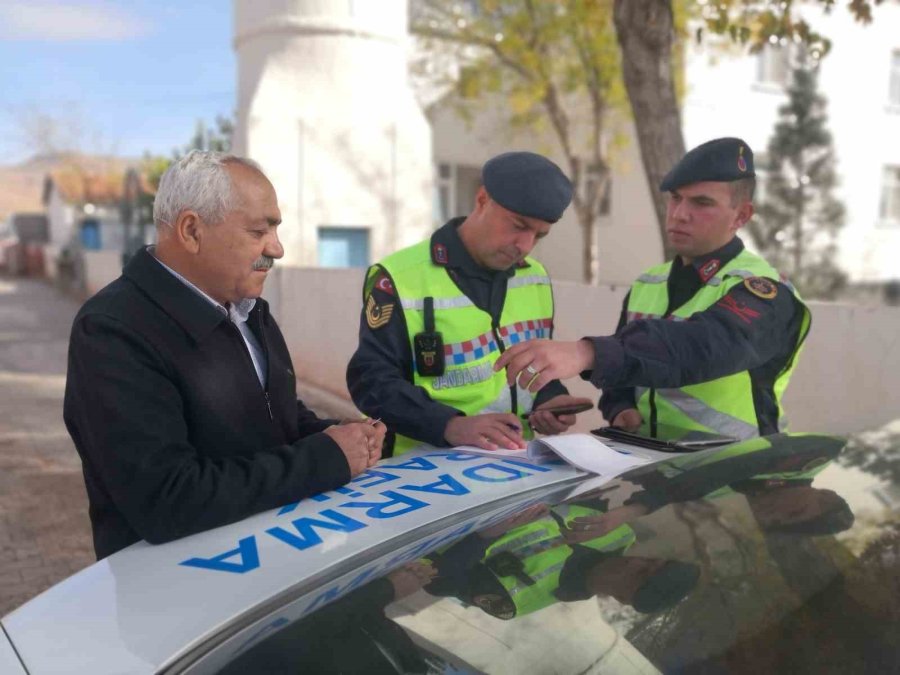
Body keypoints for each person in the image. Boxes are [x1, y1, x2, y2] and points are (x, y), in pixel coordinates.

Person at [64, 151, 386, 559]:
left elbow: (275, 416)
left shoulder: (249, 310)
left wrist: (338, 435)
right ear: (191, 231)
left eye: (275, 228)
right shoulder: (112, 331)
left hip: (271, 560)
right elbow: (167, 500)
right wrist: (324, 459)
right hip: (188, 599)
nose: (278, 248)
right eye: (258, 231)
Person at [495, 137, 811, 440]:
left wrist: (587, 352)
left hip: (739, 473)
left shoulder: (765, 290)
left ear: (741, 215)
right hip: (652, 468)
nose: (679, 214)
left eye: (702, 203)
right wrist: (620, 408)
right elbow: (626, 369)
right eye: (675, 198)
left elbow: (704, 346)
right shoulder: (650, 282)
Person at [346, 151, 591, 455]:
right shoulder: (398, 277)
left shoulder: (536, 278)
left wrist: (549, 398)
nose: (525, 247)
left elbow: (531, 367)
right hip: (420, 472)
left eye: (539, 236)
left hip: (514, 463)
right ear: (482, 199)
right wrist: (450, 425)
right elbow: (371, 383)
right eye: (518, 225)